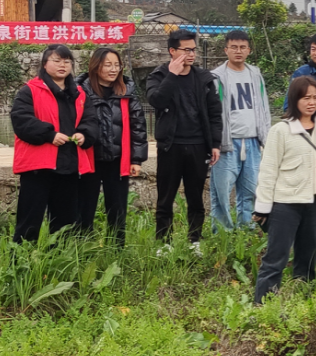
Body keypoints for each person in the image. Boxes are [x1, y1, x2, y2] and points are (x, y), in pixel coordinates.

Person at [253, 77, 316, 302]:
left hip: (314, 203)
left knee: (308, 255)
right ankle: (263, 303)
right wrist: (262, 208)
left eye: (315, 97)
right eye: (305, 98)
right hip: (285, 204)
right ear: (294, 100)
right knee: (276, 256)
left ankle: (303, 301)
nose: (311, 102)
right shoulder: (281, 131)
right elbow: (268, 170)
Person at [11, 44, 98, 243]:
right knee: (29, 220)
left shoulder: (79, 94)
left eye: (67, 61)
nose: (63, 65)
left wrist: (84, 134)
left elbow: (91, 120)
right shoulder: (29, 91)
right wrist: (49, 135)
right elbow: (21, 121)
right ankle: (22, 263)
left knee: (65, 222)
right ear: (44, 64)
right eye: (57, 60)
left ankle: (60, 262)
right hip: (38, 167)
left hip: (68, 165)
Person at [146, 29, 223, 253]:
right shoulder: (159, 76)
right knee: (165, 197)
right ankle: (164, 243)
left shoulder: (203, 78)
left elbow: (214, 114)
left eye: (193, 49)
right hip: (170, 146)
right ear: (172, 51)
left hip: (198, 145)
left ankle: (194, 241)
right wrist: (172, 75)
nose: (191, 54)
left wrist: (215, 144)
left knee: (196, 197)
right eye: (186, 49)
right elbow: (157, 101)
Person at [77, 48, 148, 245]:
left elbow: (138, 126)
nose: (113, 69)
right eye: (108, 64)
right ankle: (84, 246)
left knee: (117, 208)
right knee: (85, 206)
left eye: (117, 65)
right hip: (89, 158)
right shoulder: (80, 92)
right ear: (96, 66)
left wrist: (136, 159)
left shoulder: (126, 92)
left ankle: (116, 248)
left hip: (117, 159)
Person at [210, 30, 272, 232]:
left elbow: (263, 107)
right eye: (234, 47)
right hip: (227, 143)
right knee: (221, 190)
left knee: (250, 189)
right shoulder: (217, 76)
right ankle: (222, 233)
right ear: (225, 49)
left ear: (249, 50)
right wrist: (215, 142)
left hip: (253, 141)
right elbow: (213, 111)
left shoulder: (255, 74)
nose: (238, 51)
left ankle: (247, 230)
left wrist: (266, 137)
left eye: (242, 47)